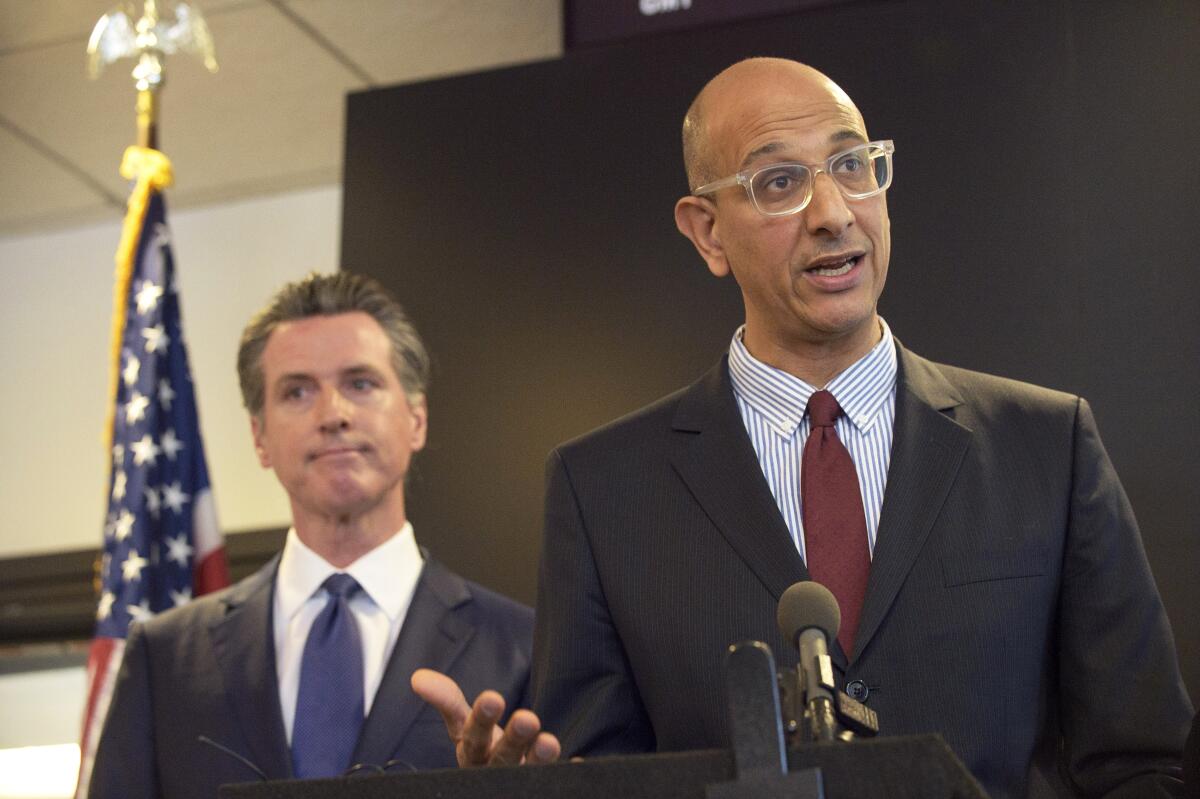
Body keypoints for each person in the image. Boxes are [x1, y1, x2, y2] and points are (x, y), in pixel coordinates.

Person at [415, 59, 1194, 797]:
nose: (832, 213)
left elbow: (1145, 762)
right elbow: (602, 774)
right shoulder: (603, 488)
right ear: (708, 232)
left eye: (852, 165)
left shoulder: (1045, 445)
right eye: (779, 181)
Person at [88, 272, 542, 799]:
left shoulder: (523, 647)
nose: (333, 415)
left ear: (416, 419)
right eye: (298, 391)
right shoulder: (164, 658)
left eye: (361, 384)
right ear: (259, 437)